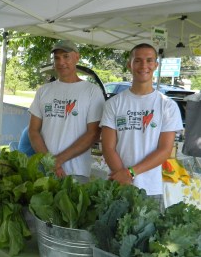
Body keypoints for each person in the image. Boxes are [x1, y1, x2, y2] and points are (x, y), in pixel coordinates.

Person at [100, 43, 183, 211]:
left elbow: (165, 150)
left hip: (151, 188)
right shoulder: (114, 103)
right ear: (129, 64)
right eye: (138, 60)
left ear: (156, 65)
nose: (144, 65)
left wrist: (130, 173)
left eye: (149, 60)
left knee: (150, 237)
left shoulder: (167, 106)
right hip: (119, 185)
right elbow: (108, 147)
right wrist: (123, 178)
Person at [28, 39, 105, 183]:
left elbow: (94, 133)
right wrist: (49, 162)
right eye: (57, 58)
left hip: (76, 172)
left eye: (66, 56)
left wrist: (58, 160)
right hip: (44, 170)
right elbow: (33, 130)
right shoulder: (43, 91)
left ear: (77, 57)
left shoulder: (92, 91)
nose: (61, 62)